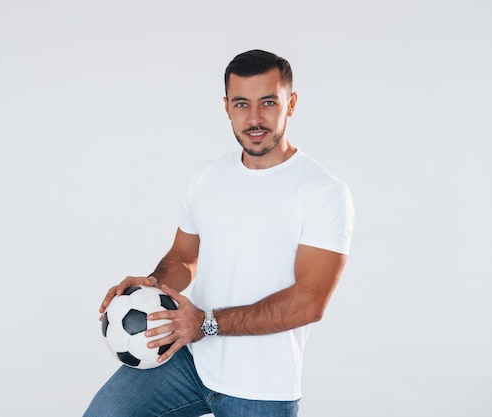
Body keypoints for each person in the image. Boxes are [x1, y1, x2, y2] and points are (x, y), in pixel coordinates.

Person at [83, 49, 355, 417]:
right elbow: (183, 258)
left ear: (291, 104)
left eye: (268, 102)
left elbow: (310, 302)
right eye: (242, 103)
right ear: (226, 106)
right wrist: (150, 285)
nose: (254, 118)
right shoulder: (205, 177)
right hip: (191, 359)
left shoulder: (322, 191)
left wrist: (207, 323)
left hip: (262, 386)